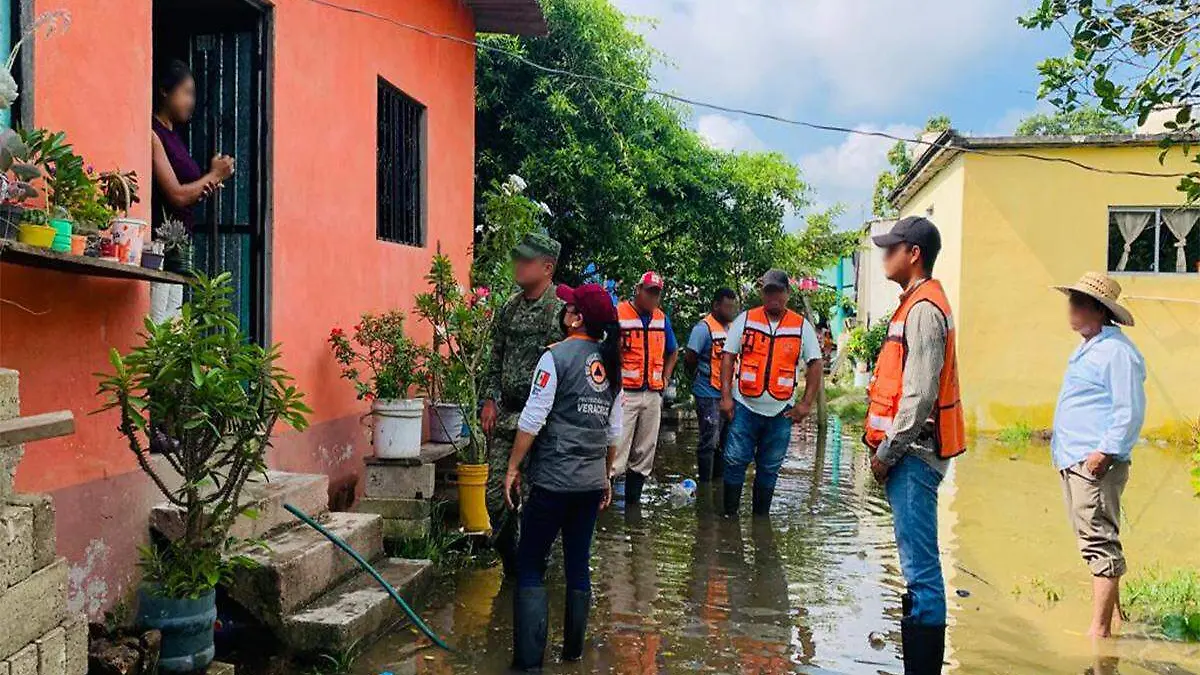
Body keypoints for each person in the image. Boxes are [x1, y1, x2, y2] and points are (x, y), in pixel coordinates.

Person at [862, 216, 967, 674]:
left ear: (914, 254)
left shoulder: (924, 308)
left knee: (922, 574)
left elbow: (919, 395)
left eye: (891, 247)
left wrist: (886, 454)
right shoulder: (916, 304)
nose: (885, 255)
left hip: (913, 456)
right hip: (912, 455)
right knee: (915, 569)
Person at [504, 283, 622, 670]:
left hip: (553, 480)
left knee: (530, 563)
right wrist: (605, 477)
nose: (565, 310)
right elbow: (612, 432)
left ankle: (528, 664)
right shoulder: (611, 364)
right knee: (577, 561)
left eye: (569, 306)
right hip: (589, 484)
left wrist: (512, 467)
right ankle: (572, 655)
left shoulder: (555, 358)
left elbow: (533, 419)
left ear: (577, 317)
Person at [1050, 272, 1145, 639]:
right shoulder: (1092, 347)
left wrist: (1104, 452)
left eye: (1077, 301)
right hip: (1075, 459)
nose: (1070, 308)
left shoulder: (1117, 353)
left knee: (1098, 542)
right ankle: (1114, 621)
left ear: (1098, 310)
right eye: (1071, 299)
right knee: (1093, 537)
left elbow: (1129, 410)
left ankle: (1099, 633)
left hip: (1094, 462)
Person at [481, 232, 565, 574]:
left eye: (526, 260)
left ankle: (537, 570)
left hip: (543, 424)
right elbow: (495, 358)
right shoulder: (508, 308)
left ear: (547, 267)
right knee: (494, 497)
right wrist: (489, 398)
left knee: (536, 503)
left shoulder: (560, 312)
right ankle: (513, 565)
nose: (518, 265)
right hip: (507, 418)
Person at [718, 270, 822, 517]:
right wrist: (725, 397)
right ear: (762, 293)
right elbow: (728, 356)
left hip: (781, 412)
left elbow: (815, 363)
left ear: (787, 293)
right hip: (744, 406)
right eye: (769, 291)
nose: (773, 296)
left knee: (770, 468)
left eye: (778, 291)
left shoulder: (801, 326)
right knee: (734, 463)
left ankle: (760, 521)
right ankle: (729, 519)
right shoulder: (745, 319)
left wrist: (806, 404)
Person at [150, 59, 235, 322]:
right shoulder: (153, 134)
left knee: (172, 326)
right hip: (159, 249)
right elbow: (176, 195)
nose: (192, 101)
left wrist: (212, 178)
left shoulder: (174, 137)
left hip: (179, 248)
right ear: (165, 91)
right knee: (158, 326)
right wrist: (213, 175)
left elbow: (189, 192)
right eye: (187, 92)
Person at [613, 271, 679, 505]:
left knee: (644, 452)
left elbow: (673, 351)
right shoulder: (619, 314)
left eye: (657, 294)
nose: (653, 298)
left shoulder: (661, 319)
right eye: (649, 292)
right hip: (624, 394)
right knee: (615, 451)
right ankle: (604, 509)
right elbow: (606, 350)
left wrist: (665, 378)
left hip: (652, 393)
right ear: (638, 290)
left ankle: (633, 506)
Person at [685, 287, 739, 482]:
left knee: (725, 441)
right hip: (708, 392)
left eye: (733, 307)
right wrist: (697, 378)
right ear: (716, 306)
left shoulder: (733, 328)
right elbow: (690, 357)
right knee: (709, 440)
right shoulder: (703, 328)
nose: (731, 310)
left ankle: (718, 482)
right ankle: (705, 485)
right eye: (727, 306)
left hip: (729, 393)